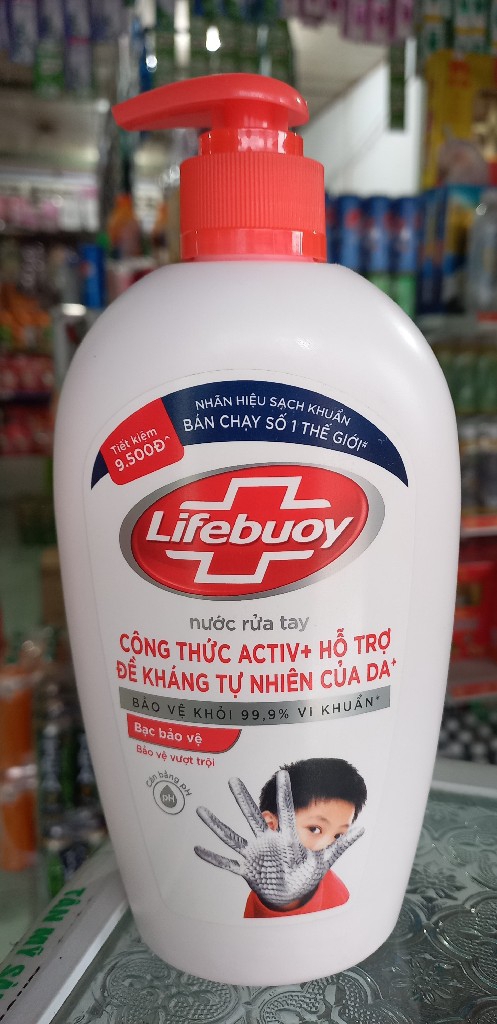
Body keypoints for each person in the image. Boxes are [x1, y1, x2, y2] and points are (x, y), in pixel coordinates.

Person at [194, 757, 367, 918]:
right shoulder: (266, 880)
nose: (326, 845)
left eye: (338, 835)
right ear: (271, 824)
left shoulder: (339, 892)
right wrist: (282, 902)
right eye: (314, 829)